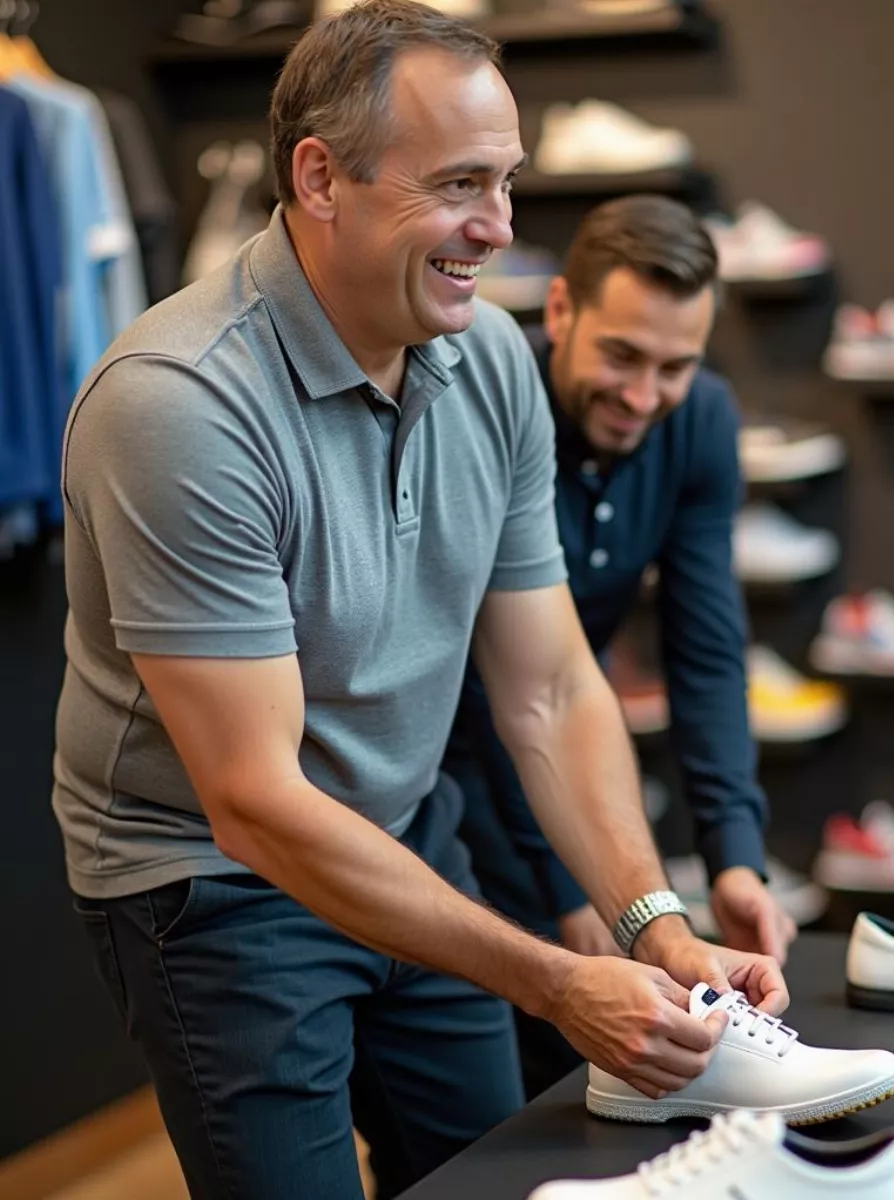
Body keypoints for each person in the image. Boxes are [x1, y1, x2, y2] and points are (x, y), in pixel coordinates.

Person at [50, 4, 787, 1198]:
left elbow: (547, 686)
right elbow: (254, 803)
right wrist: (551, 976)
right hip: (211, 885)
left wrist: (655, 923)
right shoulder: (177, 405)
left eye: (506, 183)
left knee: (485, 1176)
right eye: (457, 185)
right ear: (319, 177)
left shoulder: (491, 359)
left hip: (403, 830)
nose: (497, 228)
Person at [443, 194, 797, 1099]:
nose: (645, 397)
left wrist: (735, 857)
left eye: (676, 366)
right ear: (559, 311)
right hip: (443, 768)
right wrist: (571, 886)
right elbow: (489, 693)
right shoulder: (486, 405)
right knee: (497, 1099)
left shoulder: (702, 420)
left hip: (550, 743)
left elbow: (708, 648)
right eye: (622, 356)